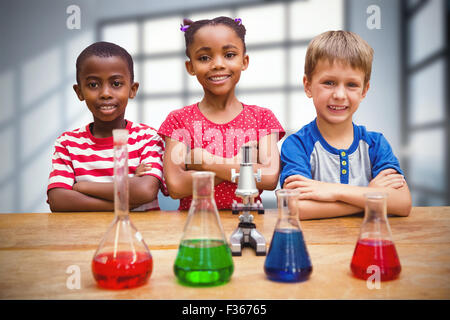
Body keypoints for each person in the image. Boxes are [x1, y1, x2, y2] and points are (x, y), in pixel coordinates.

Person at [280, 30, 411, 220]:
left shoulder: (376, 144)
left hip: (369, 245)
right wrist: (370, 197)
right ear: (308, 86)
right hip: (318, 248)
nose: (340, 95)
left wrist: (333, 191)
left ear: (364, 90)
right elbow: (294, 209)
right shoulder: (296, 145)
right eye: (329, 82)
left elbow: (402, 203)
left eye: (351, 84)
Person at [158, 16, 285, 210]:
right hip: (195, 228)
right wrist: (242, 164)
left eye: (229, 55)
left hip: (251, 224)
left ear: (244, 61)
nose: (217, 64)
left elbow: (268, 178)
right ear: (190, 66)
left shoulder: (262, 118)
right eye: (204, 58)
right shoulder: (178, 120)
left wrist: (206, 162)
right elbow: (176, 186)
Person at [47, 41, 167, 212]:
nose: (105, 94)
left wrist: (82, 187)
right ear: (79, 92)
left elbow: (144, 190)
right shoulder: (68, 143)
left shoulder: (148, 138)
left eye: (116, 84)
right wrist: (125, 199)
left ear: (132, 89)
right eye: (93, 85)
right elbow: (58, 200)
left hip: (140, 235)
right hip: (84, 236)